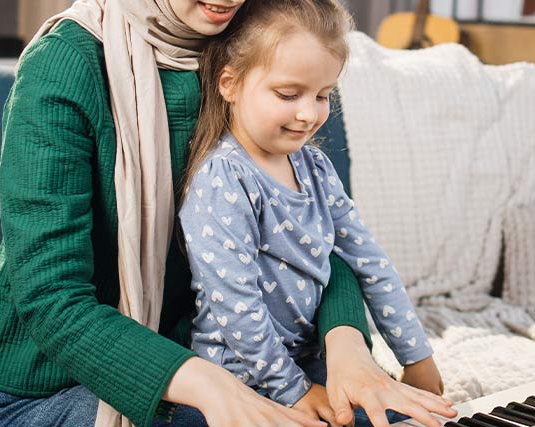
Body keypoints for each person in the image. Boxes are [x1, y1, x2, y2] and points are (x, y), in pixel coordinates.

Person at [0, 0, 456, 426]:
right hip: (41, 386)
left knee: (394, 415)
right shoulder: (66, 63)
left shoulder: (258, 31)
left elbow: (313, 232)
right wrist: (223, 391)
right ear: (228, 83)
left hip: (215, 352)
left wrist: (346, 342)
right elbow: (53, 301)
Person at [176, 0, 445, 425]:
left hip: (308, 363)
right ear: (230, 83)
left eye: (323, 96)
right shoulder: (222, 180)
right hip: (242, 376)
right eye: (288, 94)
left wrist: (415, 354)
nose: (308, 114)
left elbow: (369, 260)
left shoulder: (315, 167)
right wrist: (293, 390)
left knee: (406, 415)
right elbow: (235, 309)